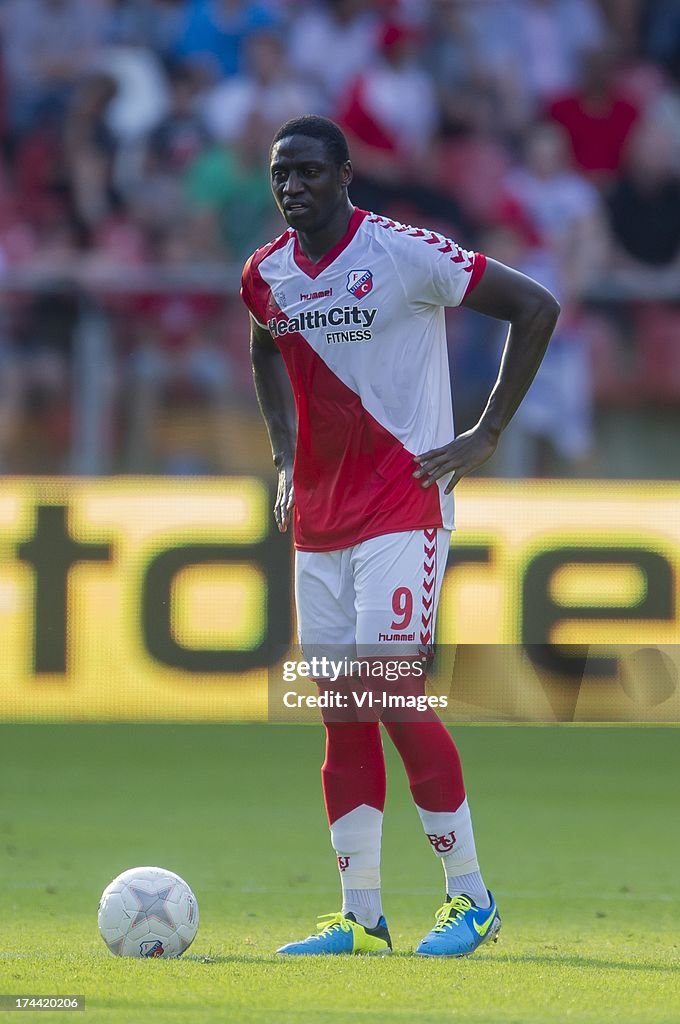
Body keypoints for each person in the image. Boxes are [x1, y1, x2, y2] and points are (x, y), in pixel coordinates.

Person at [241, 115, 559, 958]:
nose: (292, 186)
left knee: (386, 689)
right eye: (280, 174)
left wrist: (486, 432)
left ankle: (473, 898)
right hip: (318, 517)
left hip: (406, 502)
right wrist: (283, 456)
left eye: (308, 170)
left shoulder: (404, 253)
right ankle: (360, 914)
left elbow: (535, 307)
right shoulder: (266, 274)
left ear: (346, 174)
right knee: (342, 711)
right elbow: (263, 350)